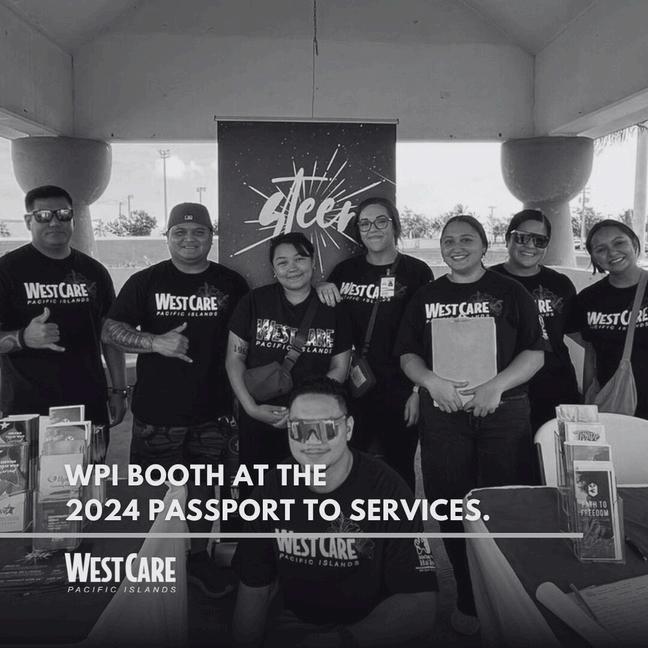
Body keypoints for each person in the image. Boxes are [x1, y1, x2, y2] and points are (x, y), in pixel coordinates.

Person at [395, 214, 544, 633]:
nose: (456, 247)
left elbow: (535, 352)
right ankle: (466, 593)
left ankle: (506, 593)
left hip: (503, 412)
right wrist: (430, 383)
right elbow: (407, 354)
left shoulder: (510, 291)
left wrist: (496, 386)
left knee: (501, 503)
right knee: (449, 503)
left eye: (466, 239)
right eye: (449, 240)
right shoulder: (426, 296)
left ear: (484, 245)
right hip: (443, 415)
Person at [102, 202, 248, 597]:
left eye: (198, 231)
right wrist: (154, 342)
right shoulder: (146, 281)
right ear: (167, 236)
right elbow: (110, 330)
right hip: (156, 414)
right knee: (154, 496)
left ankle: (197, 559)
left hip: (213, 411)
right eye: (179, 232)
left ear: (211, 237)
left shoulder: (231, 283)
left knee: (201, 494)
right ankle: (153, 564)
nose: (189, 239)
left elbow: (248, 338)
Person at [231, 377, 437, 648]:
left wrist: (339, 641)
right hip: (295, 626)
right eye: (300, 429)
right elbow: (254, 588)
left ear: (348, 428)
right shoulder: (271, 489)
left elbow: (421, 603)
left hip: (374, 633)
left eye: (327, 428)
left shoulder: (389, 491)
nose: (313, 441)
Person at [316, 197, 433, 490]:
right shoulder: (344, 271)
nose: (373, 229)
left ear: (395, 225)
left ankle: (400, 522)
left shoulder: (417, 272)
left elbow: (428, 336)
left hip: (400, 389)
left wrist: (418, 391)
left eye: (381, 221)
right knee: (349, 468)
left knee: (398, 470)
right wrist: (319, 285)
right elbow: (326, 319)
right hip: (352, 388)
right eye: (365, 224)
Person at [0, 185, 126, 428]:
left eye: (63, 214)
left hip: (88, 403)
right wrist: (23, 337)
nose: (55, 222)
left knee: (89, 457)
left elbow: (110, 335)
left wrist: (119, 390)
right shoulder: (7, 271)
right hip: (25, 409)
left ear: (73, 219)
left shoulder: (94, 272)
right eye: (43, 215)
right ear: (28, 221)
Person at [226, 233, 351, 474]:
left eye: (300, 259)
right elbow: (234, 359)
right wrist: (251, 408)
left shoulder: (333, 308)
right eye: (282, 262)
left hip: (314, 423)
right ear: (274, 269)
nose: (292, 268)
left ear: (313, 263)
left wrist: (303, 411)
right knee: (259, 490)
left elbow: (340, 368)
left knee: (308, 491)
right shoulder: (254, 302)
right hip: (260, 419)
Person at [491, 209, 580, 432]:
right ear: (508, 239)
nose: (530, 245)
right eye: (521, 237)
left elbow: (580, 333)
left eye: (540, 240)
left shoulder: (560, 284)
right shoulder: (487, 282)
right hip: (504, 389)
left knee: (555, 451)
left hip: (556, 387)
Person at [568, 219, 648, 419]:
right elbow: (591, 354)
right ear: (594, 258)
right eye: (600, 249)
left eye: (619, 243)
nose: (612, 252)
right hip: (612, 403)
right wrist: (587, 403)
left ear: (634, 243)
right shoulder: (588, 299)